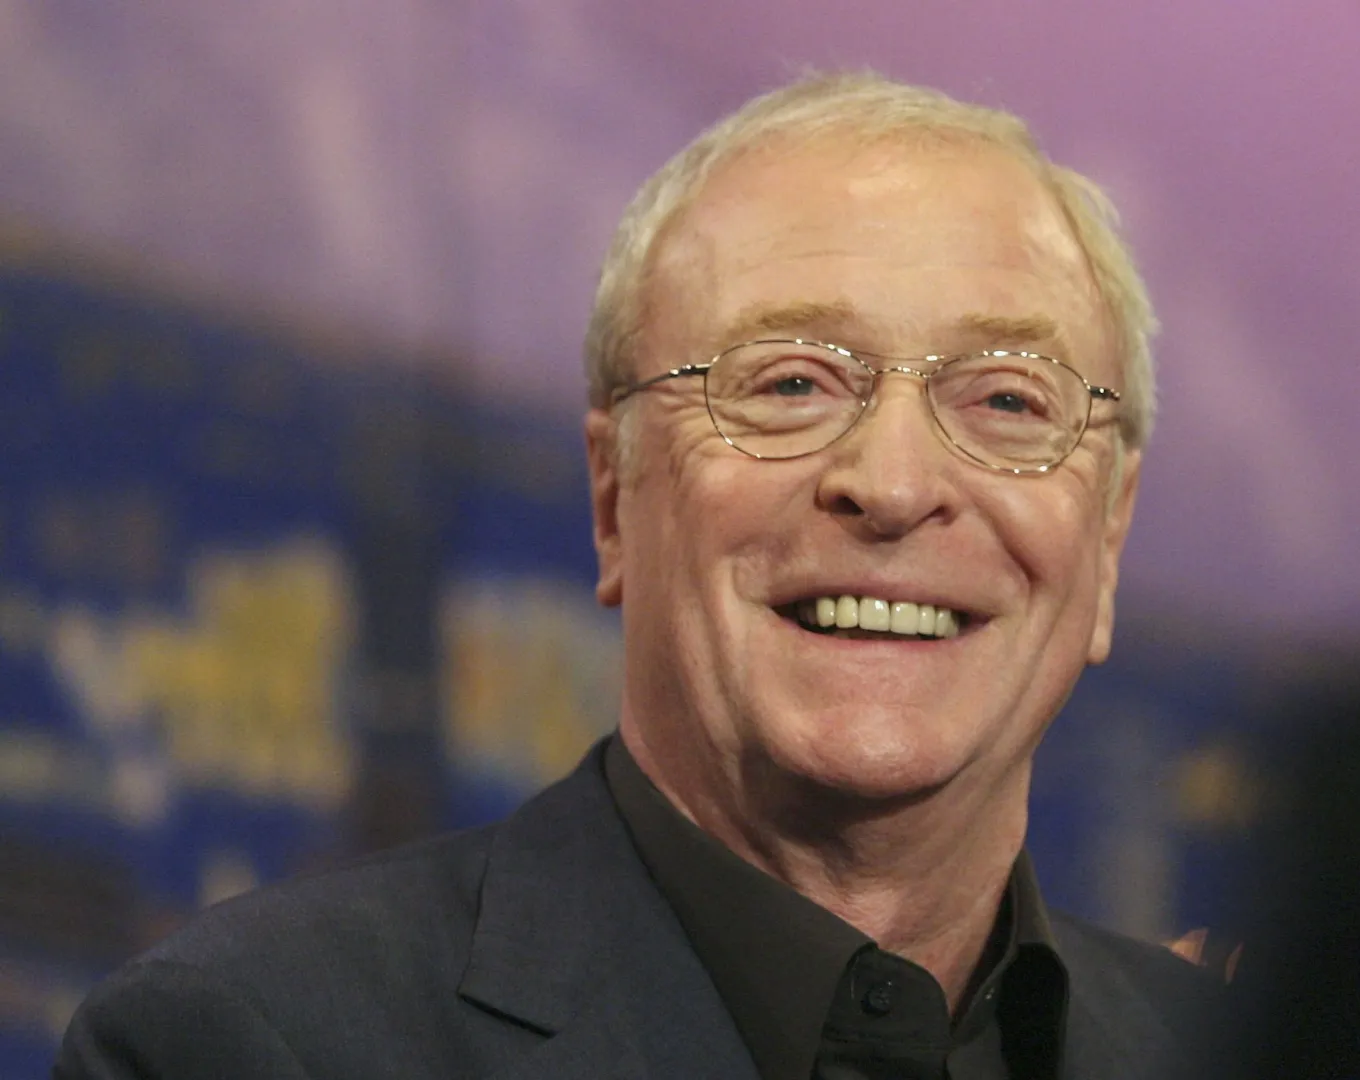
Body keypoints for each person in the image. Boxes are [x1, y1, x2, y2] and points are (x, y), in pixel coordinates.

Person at [55, 71, 1222, 1079]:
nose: (897, 480)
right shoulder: (248, 1044)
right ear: (615, 498)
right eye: (790, 383)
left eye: (1008, 399)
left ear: (1107, 538)